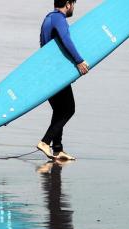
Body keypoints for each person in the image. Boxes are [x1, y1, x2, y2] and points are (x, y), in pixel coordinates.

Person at [36, 0, 90, 161]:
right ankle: (45, 142)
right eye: (73, 3)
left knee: (59, 110)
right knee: (68, 109)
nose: (73, 7)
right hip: (56, 74)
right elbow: (66, 39)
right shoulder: (59, 19)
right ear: (68, 3)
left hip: (48, 73)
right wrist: (79, 61)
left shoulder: (48, 19)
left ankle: (57, 149)